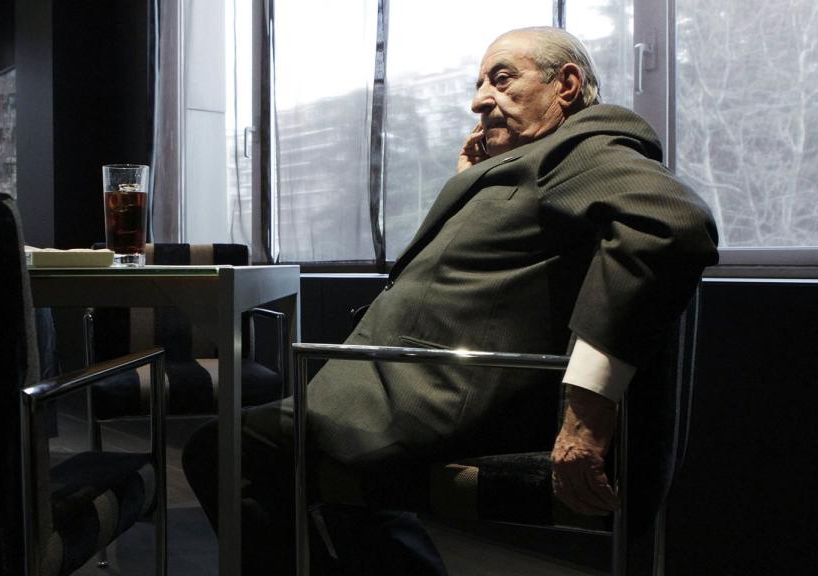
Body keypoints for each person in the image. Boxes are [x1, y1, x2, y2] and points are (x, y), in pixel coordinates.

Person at [182, 26, 719, 575]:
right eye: (480, 83)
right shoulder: (531, 162)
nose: (479, 100)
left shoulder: (583, 145)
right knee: (338, 489)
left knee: (221, 451)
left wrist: (588, 408)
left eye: (502, 79)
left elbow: (672, 223)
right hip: (402, 393)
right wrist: (473, 181)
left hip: (431, 402)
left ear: (566, 85)